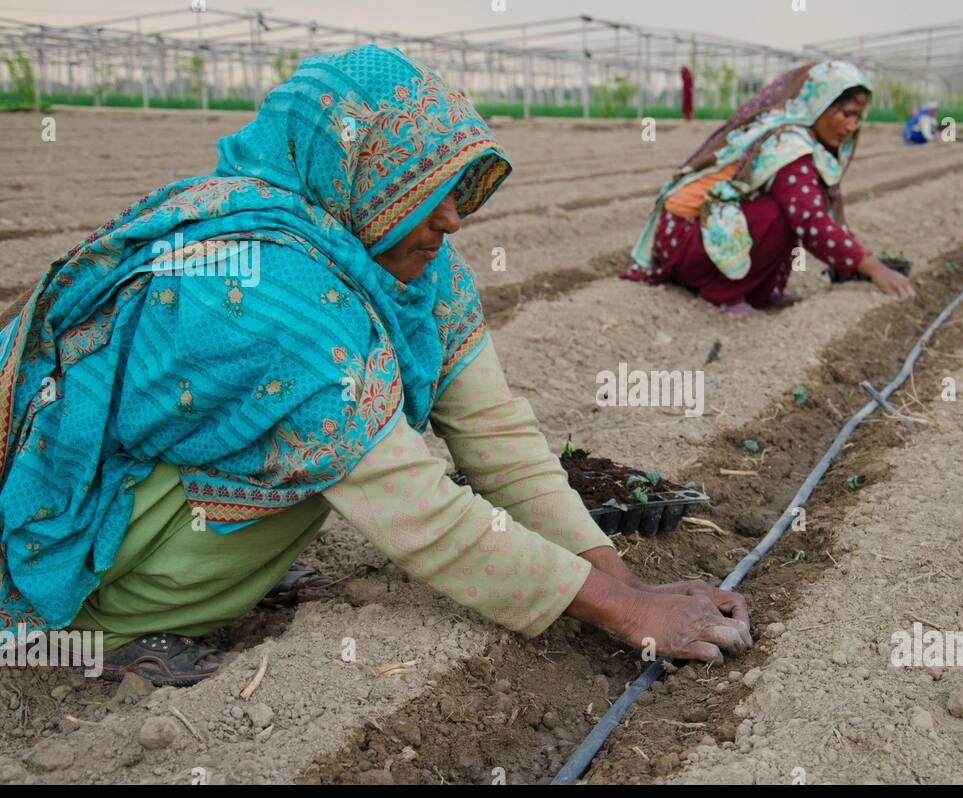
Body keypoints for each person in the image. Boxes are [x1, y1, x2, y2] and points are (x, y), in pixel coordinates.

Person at [0, 46, 750, 686]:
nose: (451, 218)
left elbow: (495, 433)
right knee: (333, 449)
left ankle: (210, 574)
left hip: (150, 486)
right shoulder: (269, 289)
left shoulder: (408, 259)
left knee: (333, 443)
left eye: (453, 187)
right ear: (350, 173)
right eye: (422, 188)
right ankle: (105, 625)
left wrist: (626, 581)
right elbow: (420, 508)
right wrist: (624, 613)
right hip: (73, 529)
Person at [621, 60, 916, 317]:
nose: (852, 126)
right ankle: (722, 294)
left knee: (788, 205)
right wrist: (874, 268)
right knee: (779, 213)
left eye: (858, 117)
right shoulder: (788, 145)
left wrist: (860, 261)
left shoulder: (799, 136)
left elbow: (819, 217)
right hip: (683, 238)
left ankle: (760, 291)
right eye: (846, 113)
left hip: (698, 234)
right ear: (820, 104)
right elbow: (812, 223)